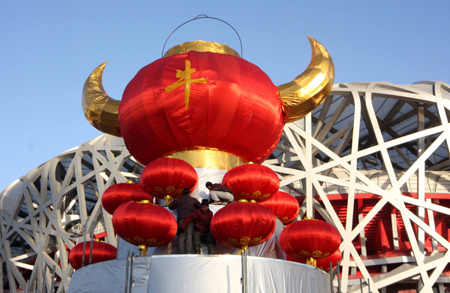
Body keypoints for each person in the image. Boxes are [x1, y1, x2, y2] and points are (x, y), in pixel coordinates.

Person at [168, 188, 200, 254]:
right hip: (190, 220)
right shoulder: (193, 200)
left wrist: (173, 201)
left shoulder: (179, 200)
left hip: (181, 220)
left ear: (182, 194)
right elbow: (199, 206)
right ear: (189, 193)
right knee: (189, 236)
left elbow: (170, 206)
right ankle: (189, 252)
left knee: (181, 236)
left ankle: (181, 252)